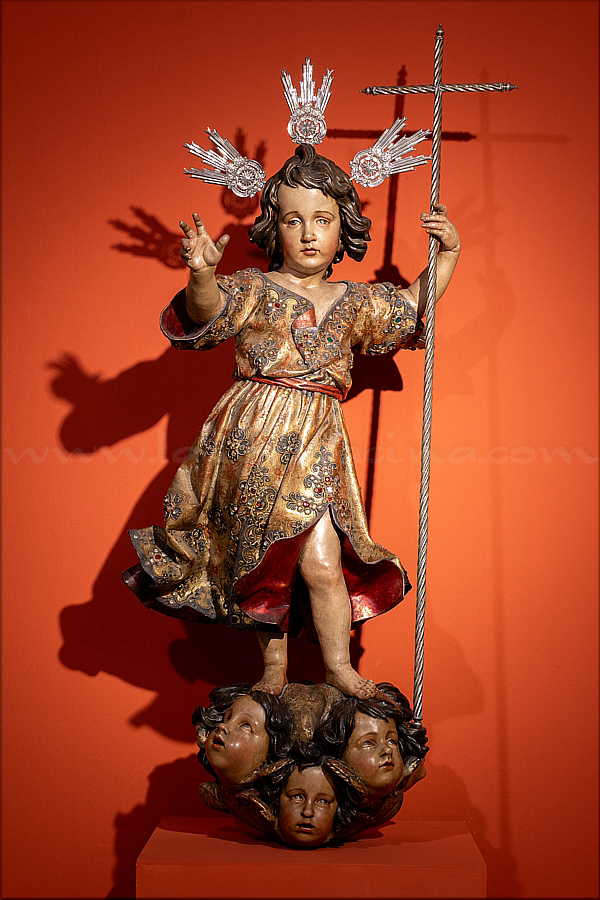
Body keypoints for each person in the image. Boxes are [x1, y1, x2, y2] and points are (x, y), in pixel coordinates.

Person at [123, 144, 460, 701]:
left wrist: (448, 255)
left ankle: (339, 668)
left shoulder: (354, 302)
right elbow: (207, 313)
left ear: (343, 227)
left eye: (322, 220)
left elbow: (409, 306)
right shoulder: (254, 290)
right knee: (264, 560)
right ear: (273, 227)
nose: (308, 234)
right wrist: (202, 274)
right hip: (251, 436)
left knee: (323, 562)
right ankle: (273, 670)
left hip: (317, 439)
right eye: (293, 220)